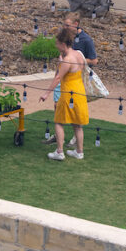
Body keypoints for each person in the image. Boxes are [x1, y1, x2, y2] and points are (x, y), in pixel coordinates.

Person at [40, 26, 88, 161]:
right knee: (77, 124)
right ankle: (79, 152)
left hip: (69, 93)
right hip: (79, 91)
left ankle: (59, 152)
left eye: (57, 43)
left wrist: (46, 93)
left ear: (62, 43)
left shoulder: (67, 59)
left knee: (58, 121)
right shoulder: (78, 54)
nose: (56, 46)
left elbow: (58, 77)